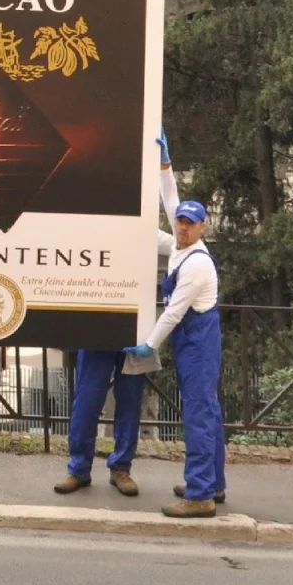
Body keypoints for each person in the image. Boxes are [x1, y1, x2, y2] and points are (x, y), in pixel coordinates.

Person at [57, 130, 179, 496]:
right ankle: (78, 468)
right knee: (87, 401)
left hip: (136, 332)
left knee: (129, 404)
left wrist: (165, 169)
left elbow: (182, 240)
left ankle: (121, 468)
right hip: (96, 328)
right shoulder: (89, 229)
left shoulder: (149, 233)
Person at [124, 167, 224, 518]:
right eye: (179, 221)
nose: (181, 226)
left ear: (202, 228)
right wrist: (165, 167)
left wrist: (148, 345)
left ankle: (199, 494)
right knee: (208, 412)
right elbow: (170, 199)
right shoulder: (181, 247)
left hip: (198, 342)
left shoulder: (197, 264)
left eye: (189, 223)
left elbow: (173, 312)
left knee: (199, 415)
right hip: (193, 341)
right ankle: (214, 482)